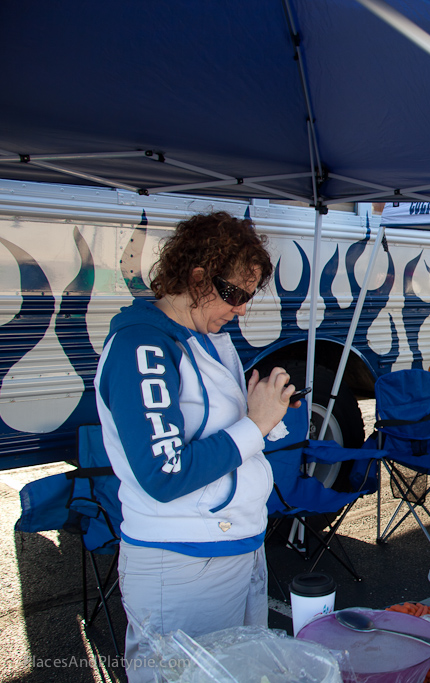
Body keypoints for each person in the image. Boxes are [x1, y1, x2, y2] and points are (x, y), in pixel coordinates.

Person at [94, 212, 298, 681]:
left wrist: (262, 414)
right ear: (198, 276)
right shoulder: (141, 347)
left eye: (249, 296)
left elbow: (224, 431)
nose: (241, 309)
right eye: (235, 294)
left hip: (234, 548)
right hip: (183, 564)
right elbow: (164, 473)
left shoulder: (206, 338)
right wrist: (255, 424)